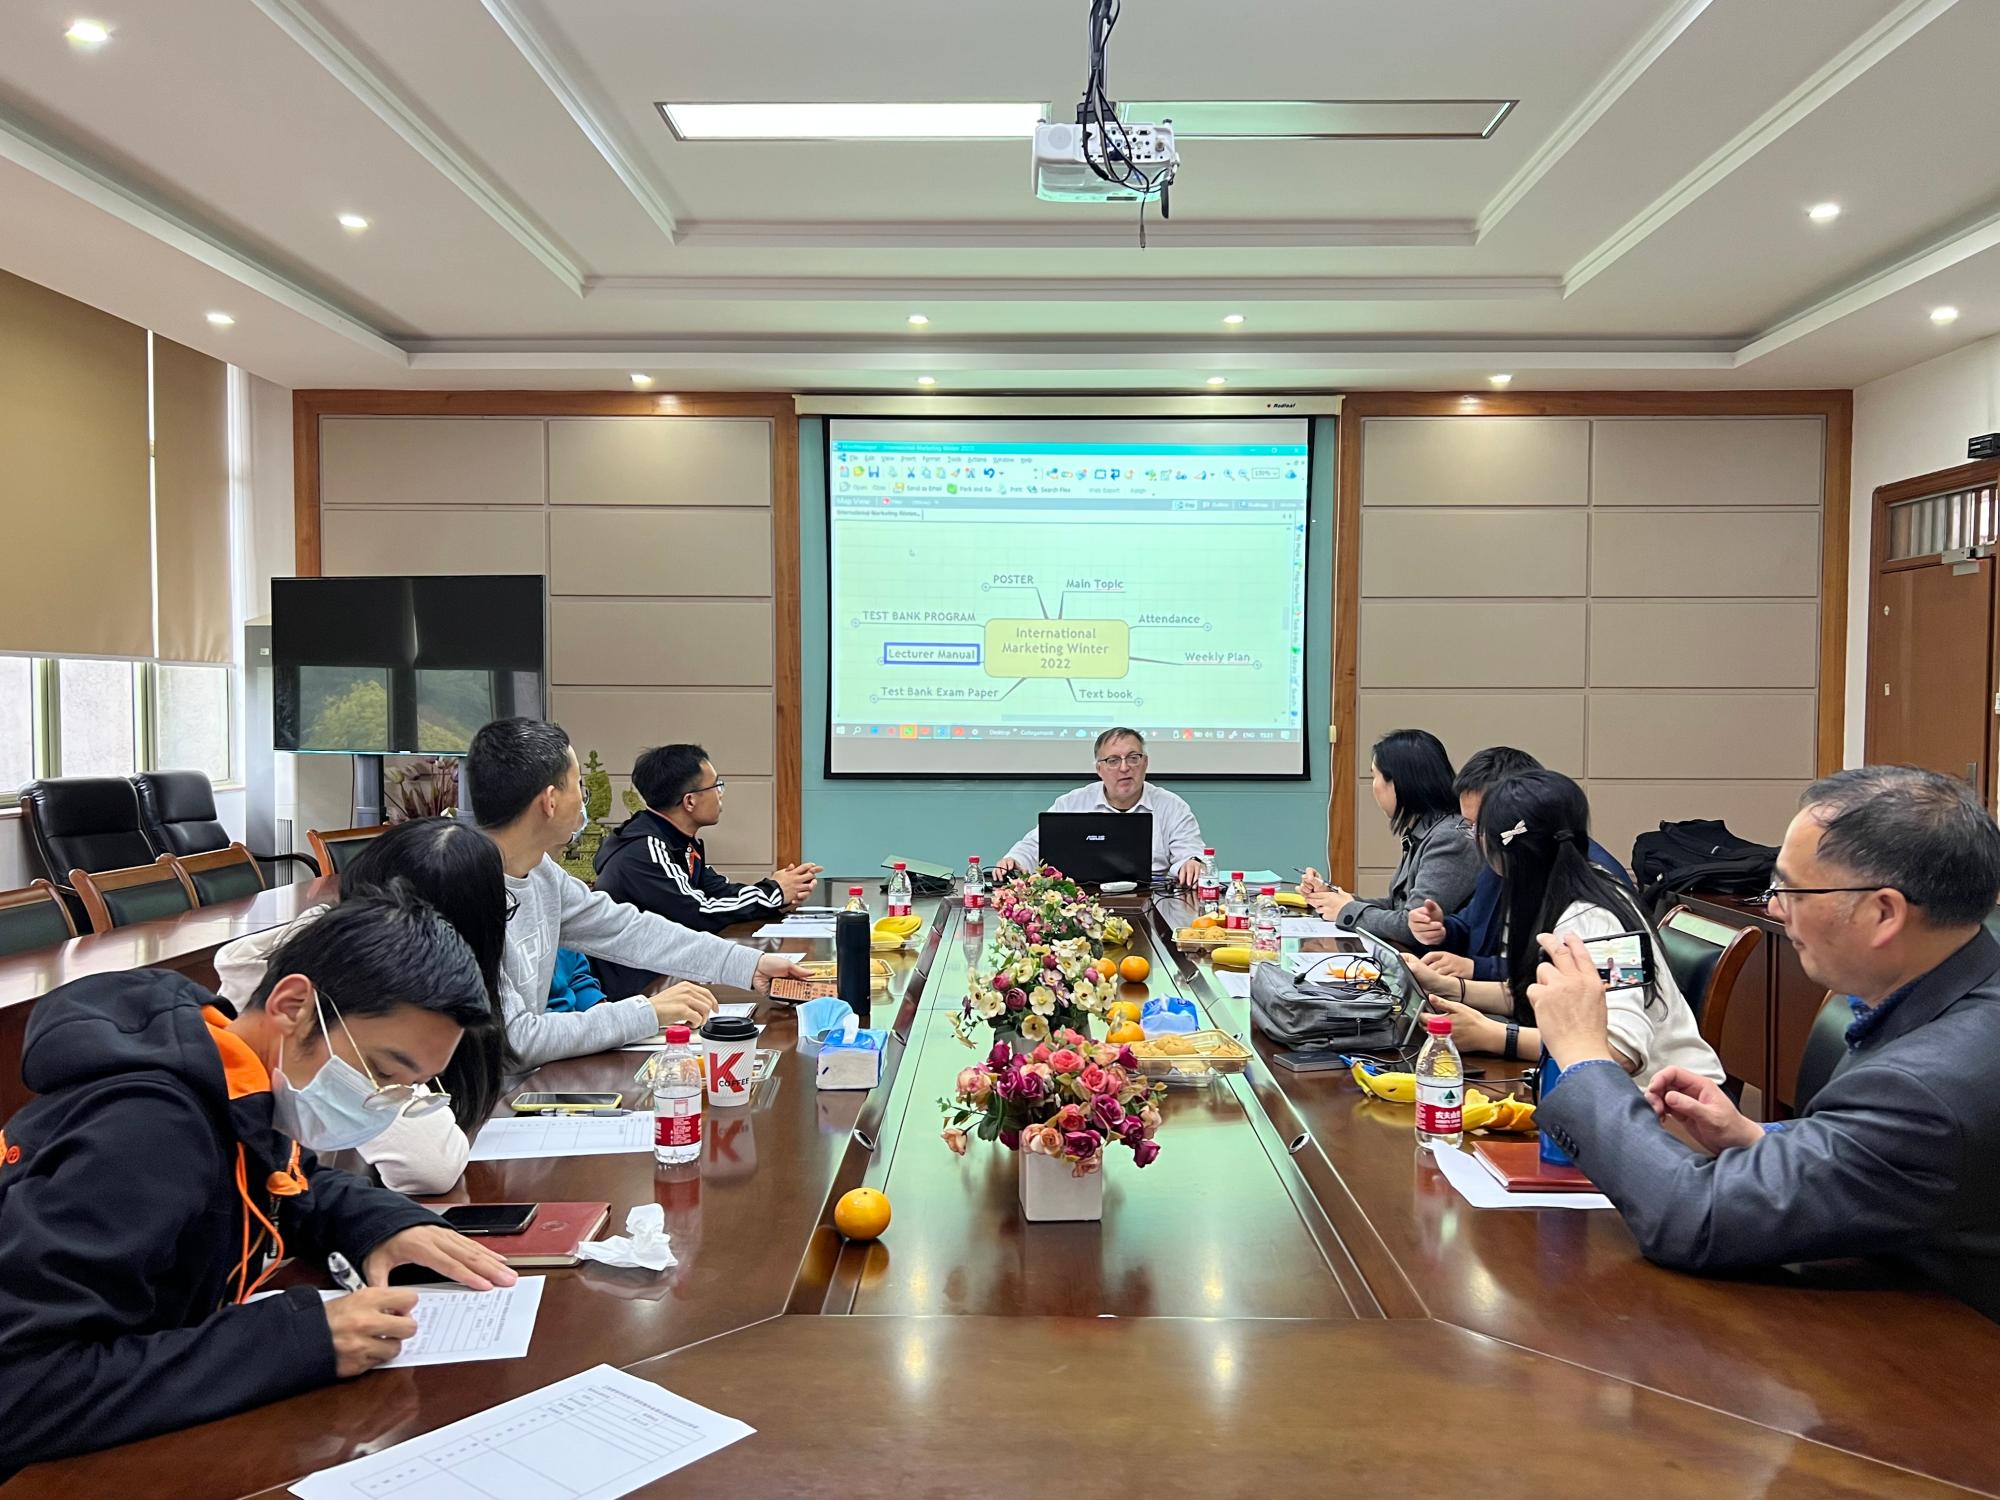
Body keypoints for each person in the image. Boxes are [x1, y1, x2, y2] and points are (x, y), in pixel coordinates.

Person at [0, 892, 519, 1472]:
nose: (382, 1103)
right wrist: (298, 1341)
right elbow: (21, 1390)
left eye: (410, 1087)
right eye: (381, 1071)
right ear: (294, 1005)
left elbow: (286, 1183)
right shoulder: (144, 1133)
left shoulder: (236, 1079)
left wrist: (383, 1224)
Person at [1528, 765, 2000, 1319]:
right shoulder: (1959, 985)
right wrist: (1760, 1138)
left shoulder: (1925, 1090)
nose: (1774, 907)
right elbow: (1894, 1164)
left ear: (1883, 912)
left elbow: (1694, 1216)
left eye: (1791, 890)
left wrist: (1584, 1056)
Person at [465, 718, 808, 1066]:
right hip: (500, 1093)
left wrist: (749, 965)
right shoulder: (466, 890)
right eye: (579, 786)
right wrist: (649, 1012)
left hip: (536, 1079)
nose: (583, 799)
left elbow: (627, 929)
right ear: (550, 801)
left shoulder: (542, 873)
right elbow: (516, 1040)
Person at [213, 816, 514, 1196]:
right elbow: (428, 1166)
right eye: (385, 1072)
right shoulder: (313, 1001)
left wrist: (380, 1222)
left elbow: (310, 1192)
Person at [1401, 769, 1720, 1089]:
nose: (1474, 840)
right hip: (1623, 1092)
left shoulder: (1594, 919)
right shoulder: (1555, 891)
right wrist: (1447, 987)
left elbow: (1619, 1051)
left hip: (1678, 1100)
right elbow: (1545, 994)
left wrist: (1495, 1036)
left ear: (1507, 848)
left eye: (1476, 830)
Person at [591, 743, 823, 997]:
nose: (721, 794)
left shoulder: (678, 840)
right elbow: (699, 911)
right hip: (639, 988)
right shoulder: (645, 849)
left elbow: (720, 892)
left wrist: (778, 897)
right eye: (716, 786)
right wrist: (774, 892)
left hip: (671, 972)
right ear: (690, 801)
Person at [1407, 746, 1632, 981]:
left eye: (1482, 826)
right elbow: (1473, 925)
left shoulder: (1592, 893)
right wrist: (1441, 929)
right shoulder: (1502, 861)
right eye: (1469, 826)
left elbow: (1554, 974)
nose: (1476, 838)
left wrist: (1476, 970)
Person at [1300, 729, 1480, 948]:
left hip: (1433, 962)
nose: (1374, 786)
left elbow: (1412, 925)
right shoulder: (1426, 830)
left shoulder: (1450, 838)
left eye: (1375, 776)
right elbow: (1396, 907)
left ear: (1398, 782)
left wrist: (1346, 909)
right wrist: (1335, 898)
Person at [997, 728, 1206, 885]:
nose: (1124, 767)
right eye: (1113, 760)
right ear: (1099, 769)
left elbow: (1190, 853)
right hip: (1080, 902)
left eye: (1133, 758)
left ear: (1145, 763)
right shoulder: (1072, 803)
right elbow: (1036, 845)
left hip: (1151, 900)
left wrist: (1191, 863)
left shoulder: (1172, 806)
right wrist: (1015, 860)